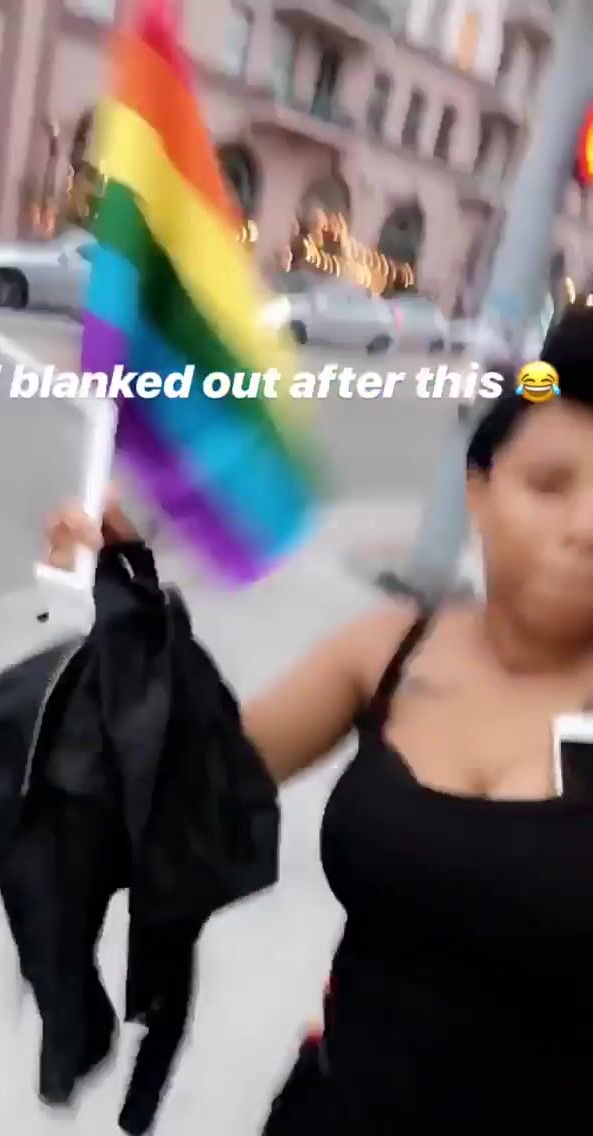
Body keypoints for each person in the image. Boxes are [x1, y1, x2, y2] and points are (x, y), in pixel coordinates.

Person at [45, 358, 593, 1133]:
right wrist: (121, 610)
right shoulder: (388, 653)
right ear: (479, 491)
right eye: (549, 485)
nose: (586, 526)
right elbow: (189, 795)